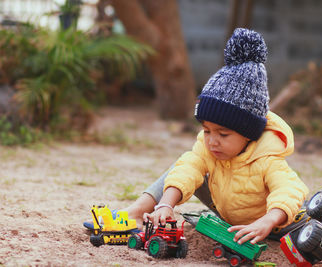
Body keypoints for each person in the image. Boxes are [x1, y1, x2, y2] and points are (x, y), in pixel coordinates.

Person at [125, 28, 309, 245]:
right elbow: (187, 171)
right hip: (230, 216)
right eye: (207, 130)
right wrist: (166, 204)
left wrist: (268, 221)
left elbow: (289, 190)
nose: (212, 140)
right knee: (187, 162)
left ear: (248, 134)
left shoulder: (267, 158)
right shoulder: (208, 148)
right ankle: (138, 211)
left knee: (311, 222)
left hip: (275, 225)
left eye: (223, 133)